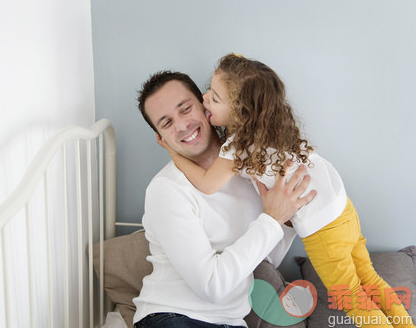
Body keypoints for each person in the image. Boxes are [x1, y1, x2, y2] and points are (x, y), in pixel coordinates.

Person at [159, 54, 414, 328]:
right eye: (209, 90)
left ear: (241, 113)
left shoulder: (238, 146)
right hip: (343, 210)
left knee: (350, 295)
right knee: (369, 278)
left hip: (324, 228)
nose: (205, 97)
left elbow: (207, 183)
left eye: (215, 98)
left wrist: (173, 151)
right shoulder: (270, 130)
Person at [132, 70, 316, 328]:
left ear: (207, 107)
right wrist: (272, 218)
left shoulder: (251, 167)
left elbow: (260, 259)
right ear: (161, 139)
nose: (182, 125)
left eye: (185, 109)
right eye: (167, 123)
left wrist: (285, 220)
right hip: (173, 317)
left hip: (230, 322)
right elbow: (213, 286)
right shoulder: (166, 189)